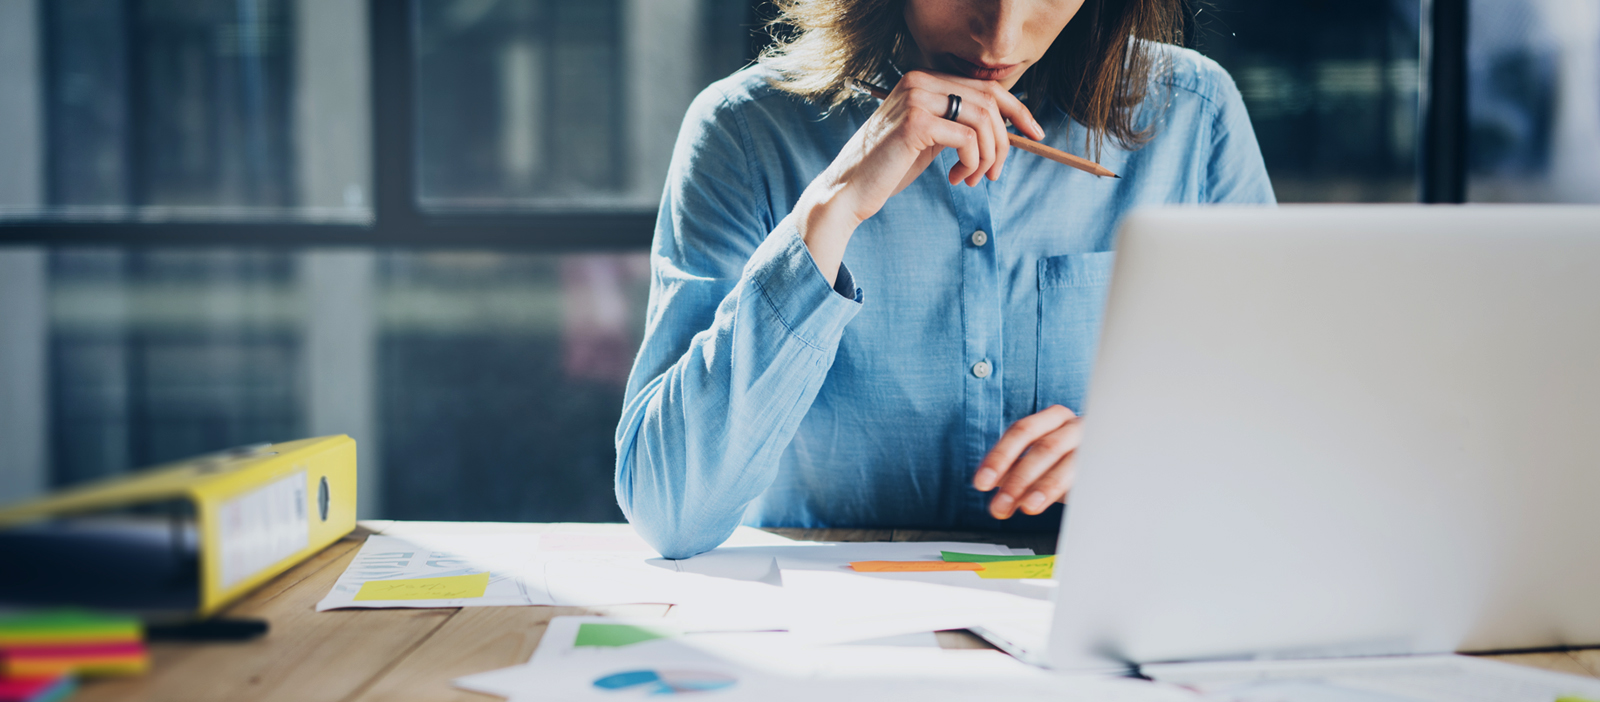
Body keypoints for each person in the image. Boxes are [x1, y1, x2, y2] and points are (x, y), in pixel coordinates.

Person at [615, 0, 1274, 559]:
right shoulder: (743, 131)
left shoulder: (1195, 118)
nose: (1002, 37)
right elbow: (667, 508)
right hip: (830, 638)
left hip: (1097, 618)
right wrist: (832, 211)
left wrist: (1155, 449)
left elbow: (1285, 449)